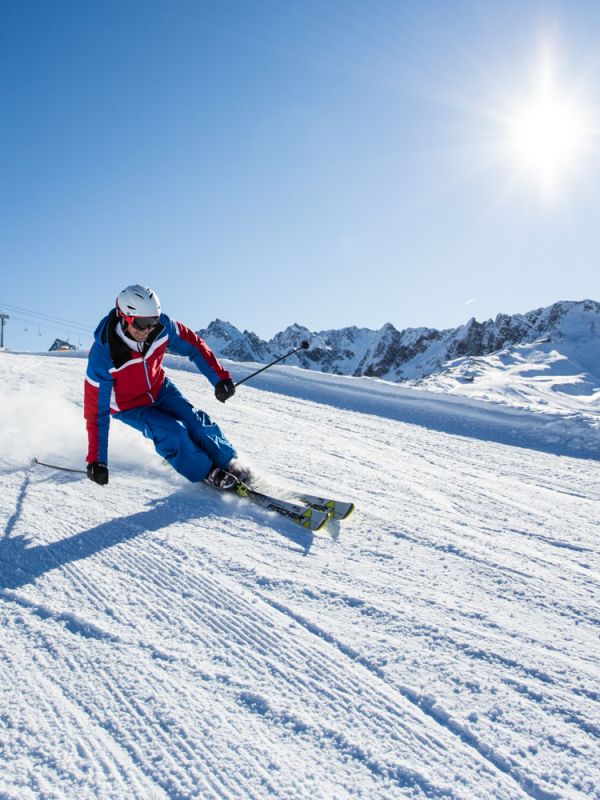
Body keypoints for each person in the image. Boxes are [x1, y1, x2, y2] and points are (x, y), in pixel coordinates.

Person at [84, 284, 246, 490]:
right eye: (142, 323)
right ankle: (206, 472)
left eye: (153, 321)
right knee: (171, 432)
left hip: (160, 389)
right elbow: (96, 412)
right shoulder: (103, 356)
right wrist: (97, 460)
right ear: (124, 317)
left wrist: (220, 378)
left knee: (196, 421)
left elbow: (194, 345)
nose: (148, 329)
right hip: (130, 406)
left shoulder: (163, 328)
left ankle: (228, 460)